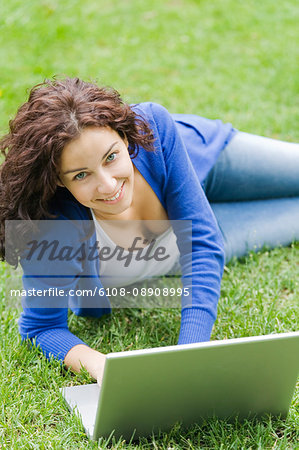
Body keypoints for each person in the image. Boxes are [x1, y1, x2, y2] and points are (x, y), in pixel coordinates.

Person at [0, 77, 298, 385]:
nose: (108, 185)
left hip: (203, 159)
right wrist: (104, 367)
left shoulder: (154, 127)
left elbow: (201, 243)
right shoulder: (52, 225)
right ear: (59, 180)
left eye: (111, 157)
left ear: (124, 138)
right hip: (217, 227)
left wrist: (190, 354)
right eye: (81, 174)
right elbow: (41, 328)